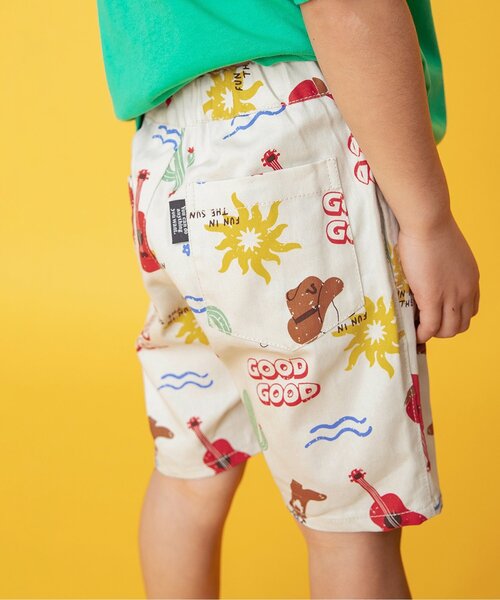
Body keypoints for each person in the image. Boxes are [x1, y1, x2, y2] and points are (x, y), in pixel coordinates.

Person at [96, 0, 480, 598]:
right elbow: (345, 7)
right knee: (350, 527)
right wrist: (428, 219)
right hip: (288, 138)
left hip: (165, 151)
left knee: (190, 473)